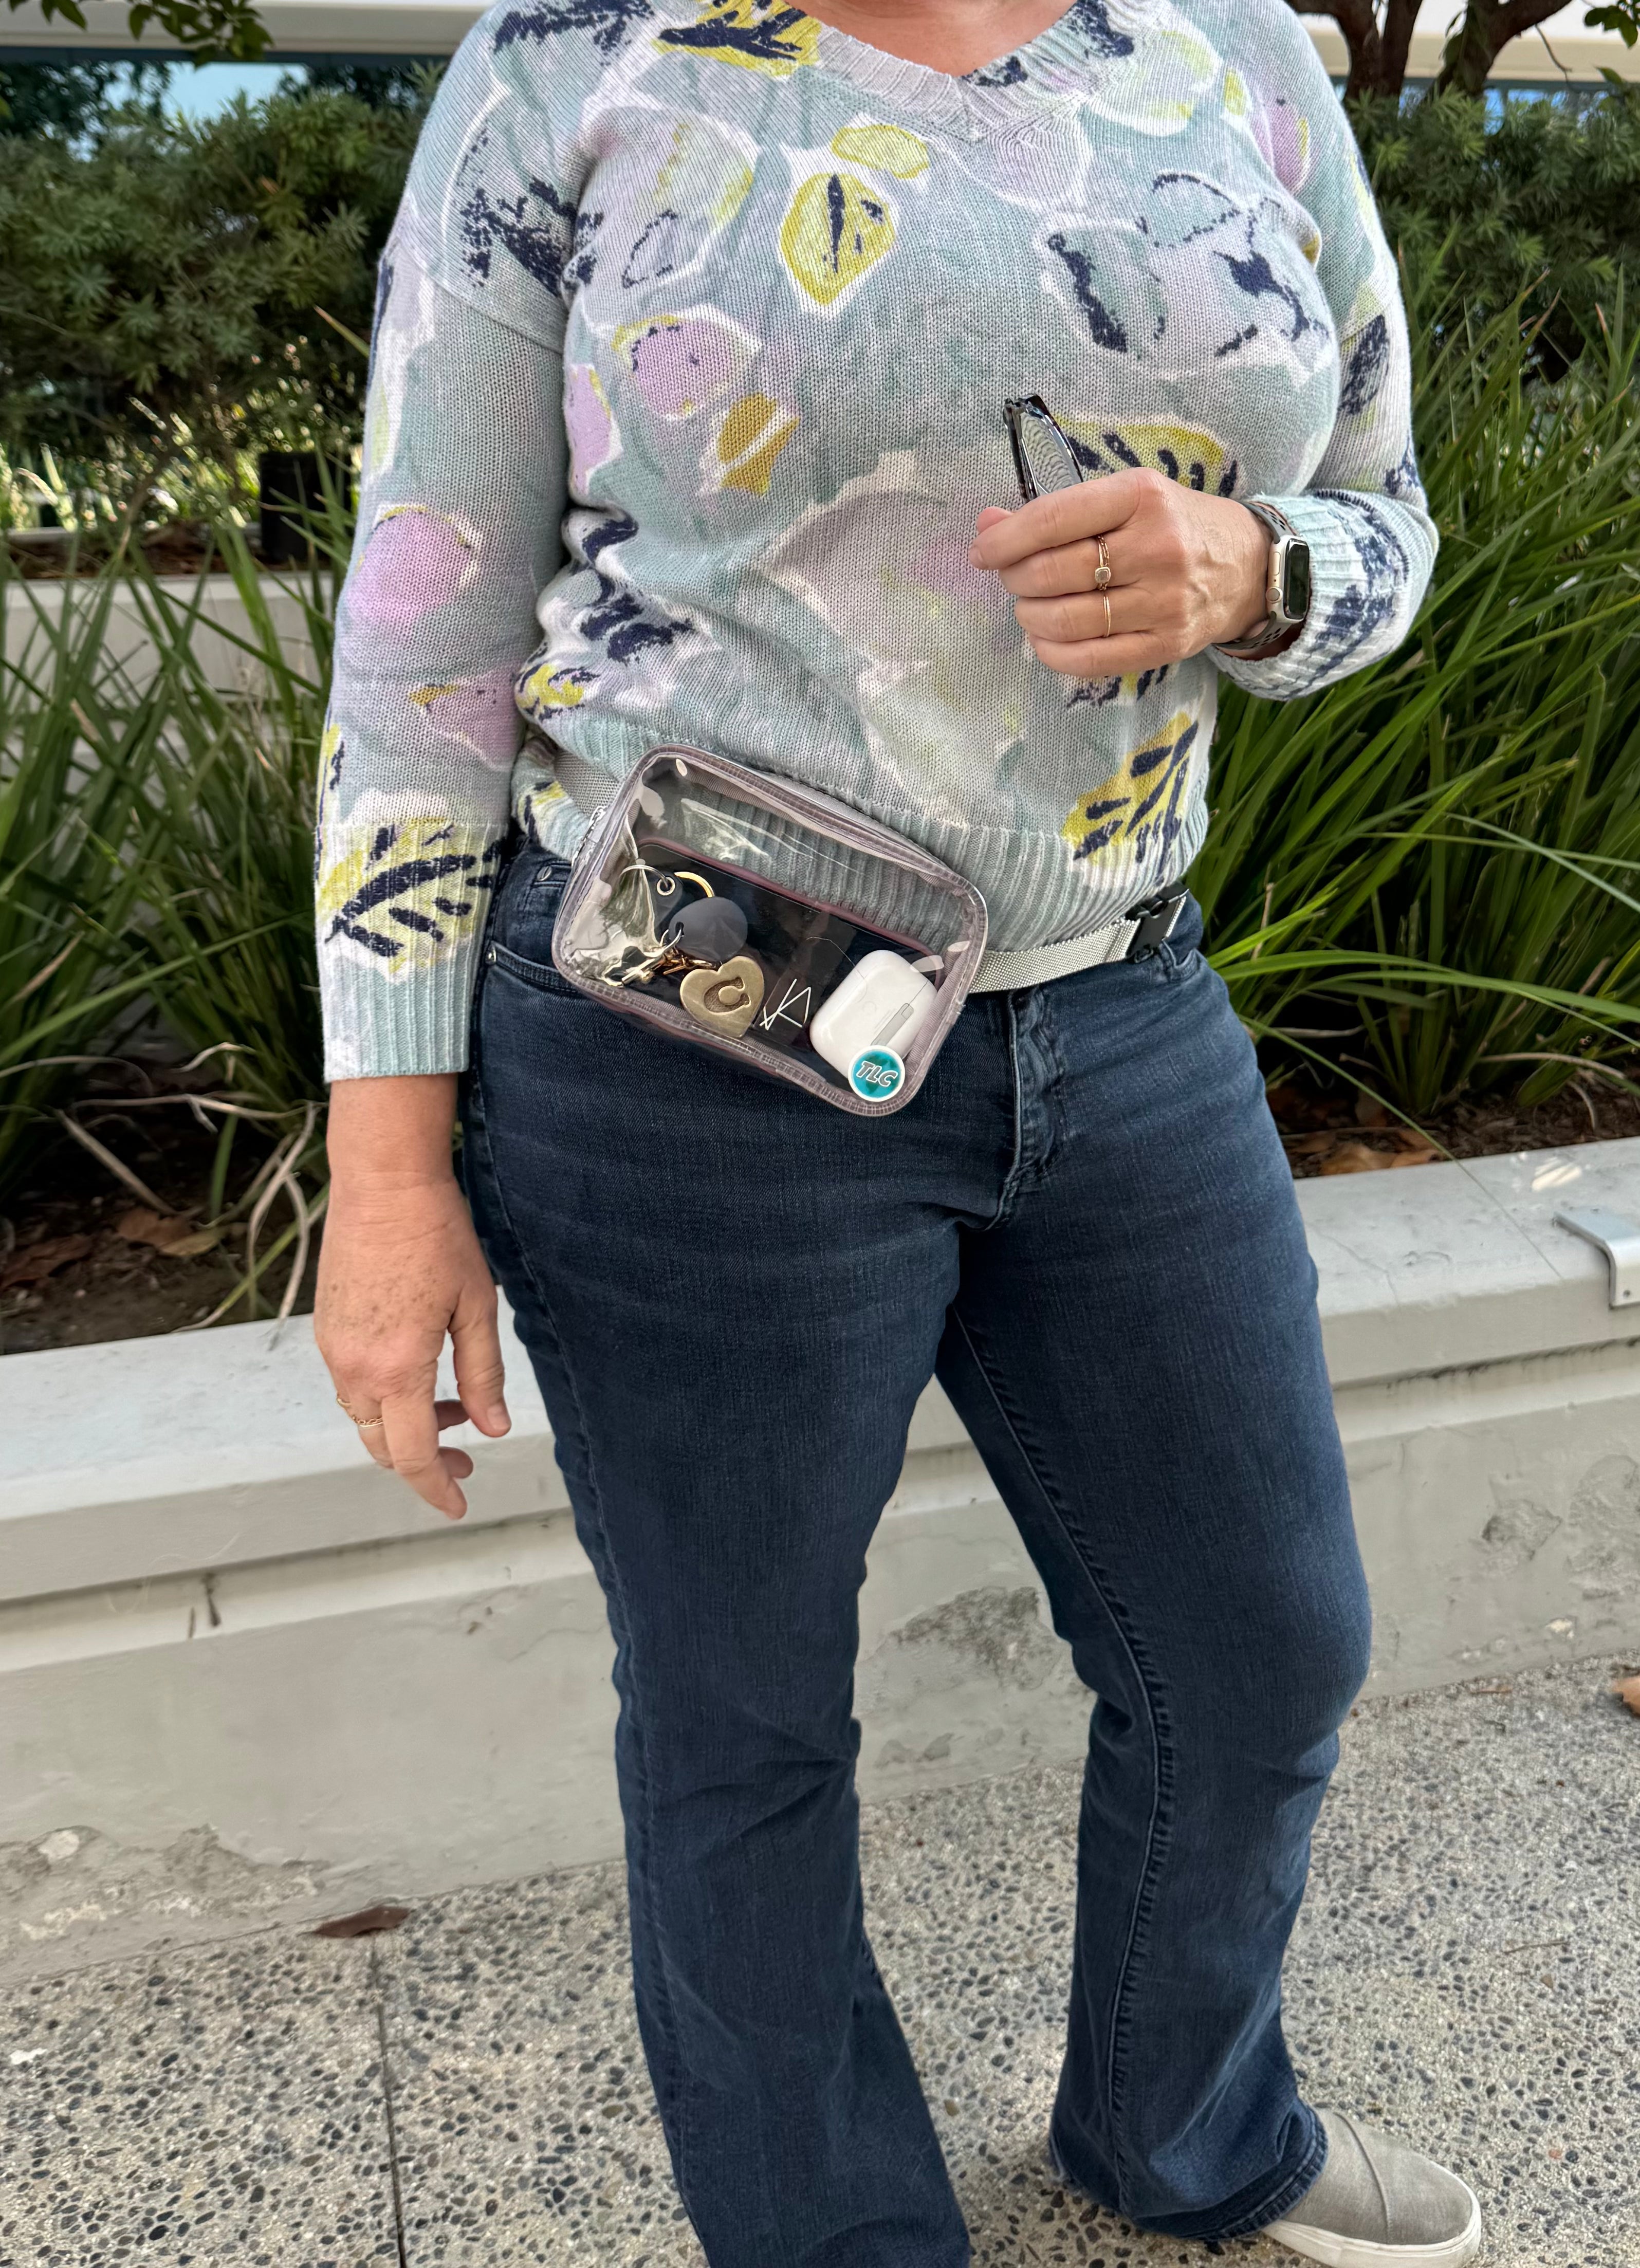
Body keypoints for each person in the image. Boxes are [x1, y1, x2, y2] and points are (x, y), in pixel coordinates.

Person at [313, 4, 1481, 2262]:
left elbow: (1386, 522)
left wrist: (1258, 575)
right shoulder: (576, 63)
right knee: (743, 1723)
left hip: (1116, 1002)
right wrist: (388, 1171)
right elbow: (420, 650)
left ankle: (1180, 2130)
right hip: (689, 1048)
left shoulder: (1233, 52)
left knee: (1262, 1645)